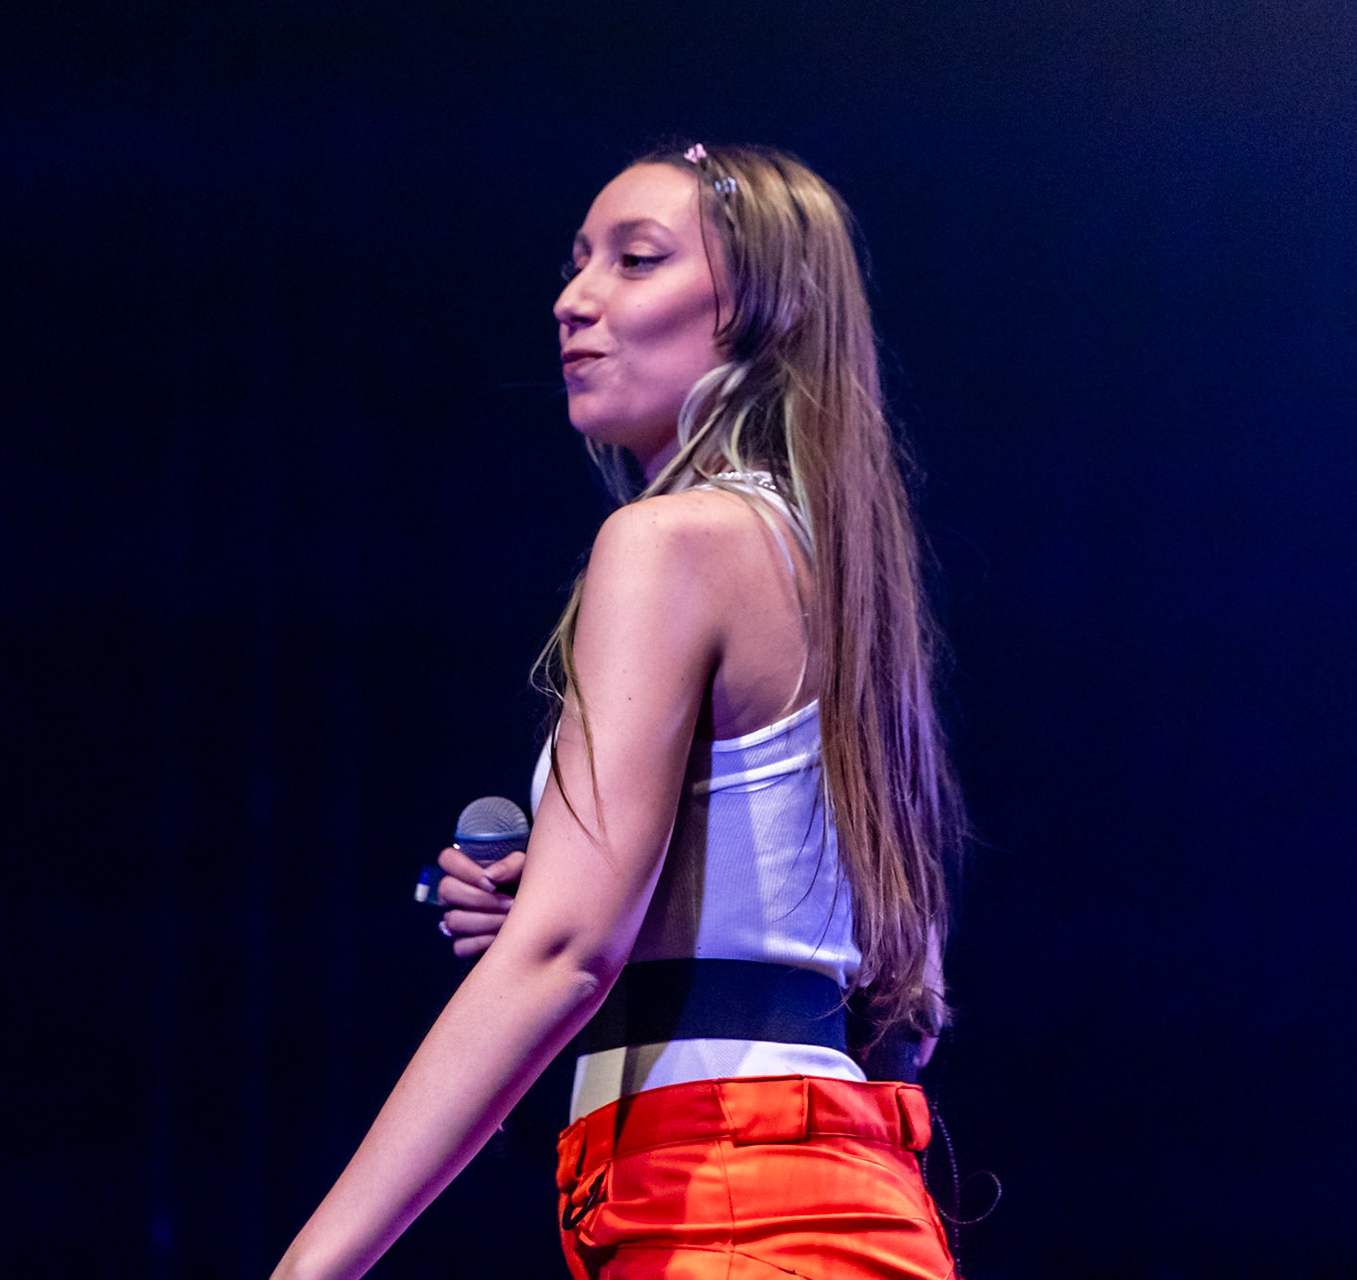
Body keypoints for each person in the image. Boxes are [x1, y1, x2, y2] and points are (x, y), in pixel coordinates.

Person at [274, 143, 964, 1280]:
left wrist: (315, 1263)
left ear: (760, 313)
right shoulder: (836, 571)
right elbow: (890, 992)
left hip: (731, 1206)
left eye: (635, 261)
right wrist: (584, 895)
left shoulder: (668, 543)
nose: (573, 299)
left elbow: (565, 952)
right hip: (810, 1187)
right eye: (576, 261)